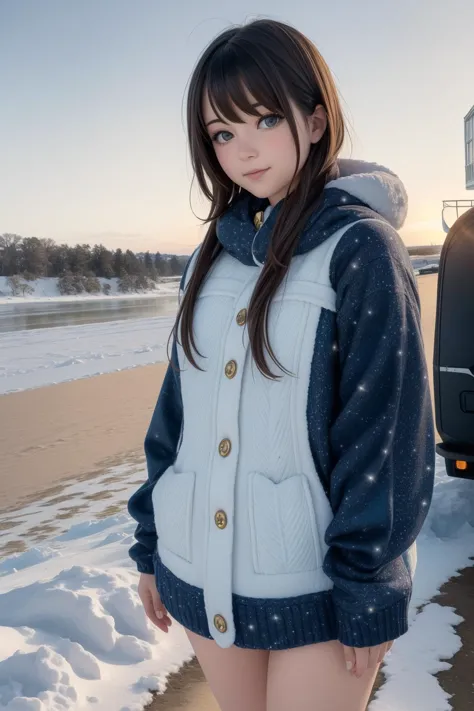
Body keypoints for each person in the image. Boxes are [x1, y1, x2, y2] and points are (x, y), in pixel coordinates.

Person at [127, 18, 435, 711]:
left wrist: (366, 583)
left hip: (319, 590)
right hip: (198, 572)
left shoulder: (362, 250)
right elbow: (178, 416)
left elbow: (385, 433)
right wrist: (149, 542)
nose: (243, 150)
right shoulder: (210, 254)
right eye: (222, 133)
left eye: (265, 118)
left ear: (317, 119)